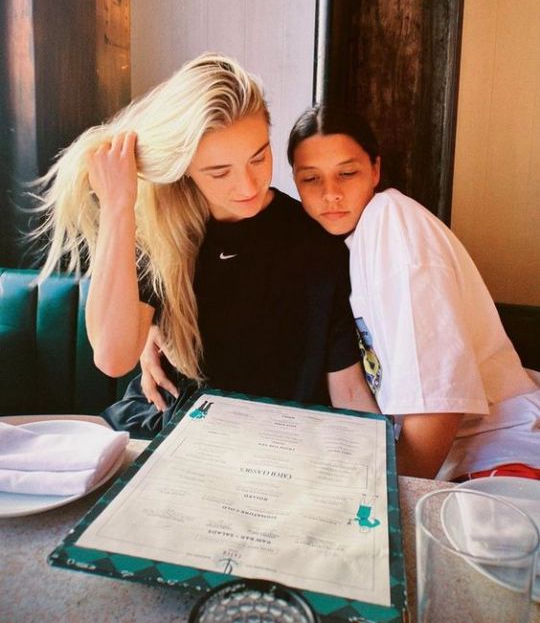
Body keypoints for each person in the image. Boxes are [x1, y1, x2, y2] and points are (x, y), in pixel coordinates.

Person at [35, 55, 378, 438]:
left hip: (269, 445)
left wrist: (387, 460)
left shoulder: (317, 245)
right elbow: (113, 359)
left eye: (259, 157)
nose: (248, 186)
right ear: (185, 167)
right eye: (219, 172)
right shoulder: (162, 234)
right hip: (161, 430)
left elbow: (347, 386)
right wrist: (118, 206)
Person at [285, 104, 540, 480]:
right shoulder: (345, 247)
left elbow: (438, 404)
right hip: (452, 457)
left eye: (347, 173)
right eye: (311, 179)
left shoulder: (392, 223)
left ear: (375, 170)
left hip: (499, 450)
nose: (331, 194)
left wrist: (384, 499)